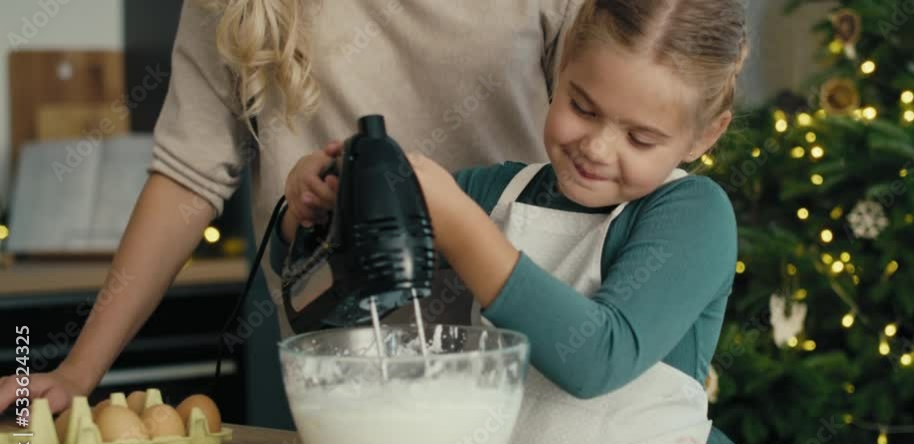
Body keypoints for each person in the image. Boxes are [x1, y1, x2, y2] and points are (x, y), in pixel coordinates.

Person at [0, 0, 583, 415]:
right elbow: (186, 175)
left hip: (516, 356)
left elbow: (612, 123)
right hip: (344, 368)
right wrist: (80, 370)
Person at [277, 0, 749, 444]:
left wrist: (462, 227)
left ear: (705, 136)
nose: (597, 148)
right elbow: (334, 292)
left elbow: (596, 358)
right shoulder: (496, 191)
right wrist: (315, 207)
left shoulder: (693, 214)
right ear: (562, 69)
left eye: (640, 139)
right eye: (582, 108)